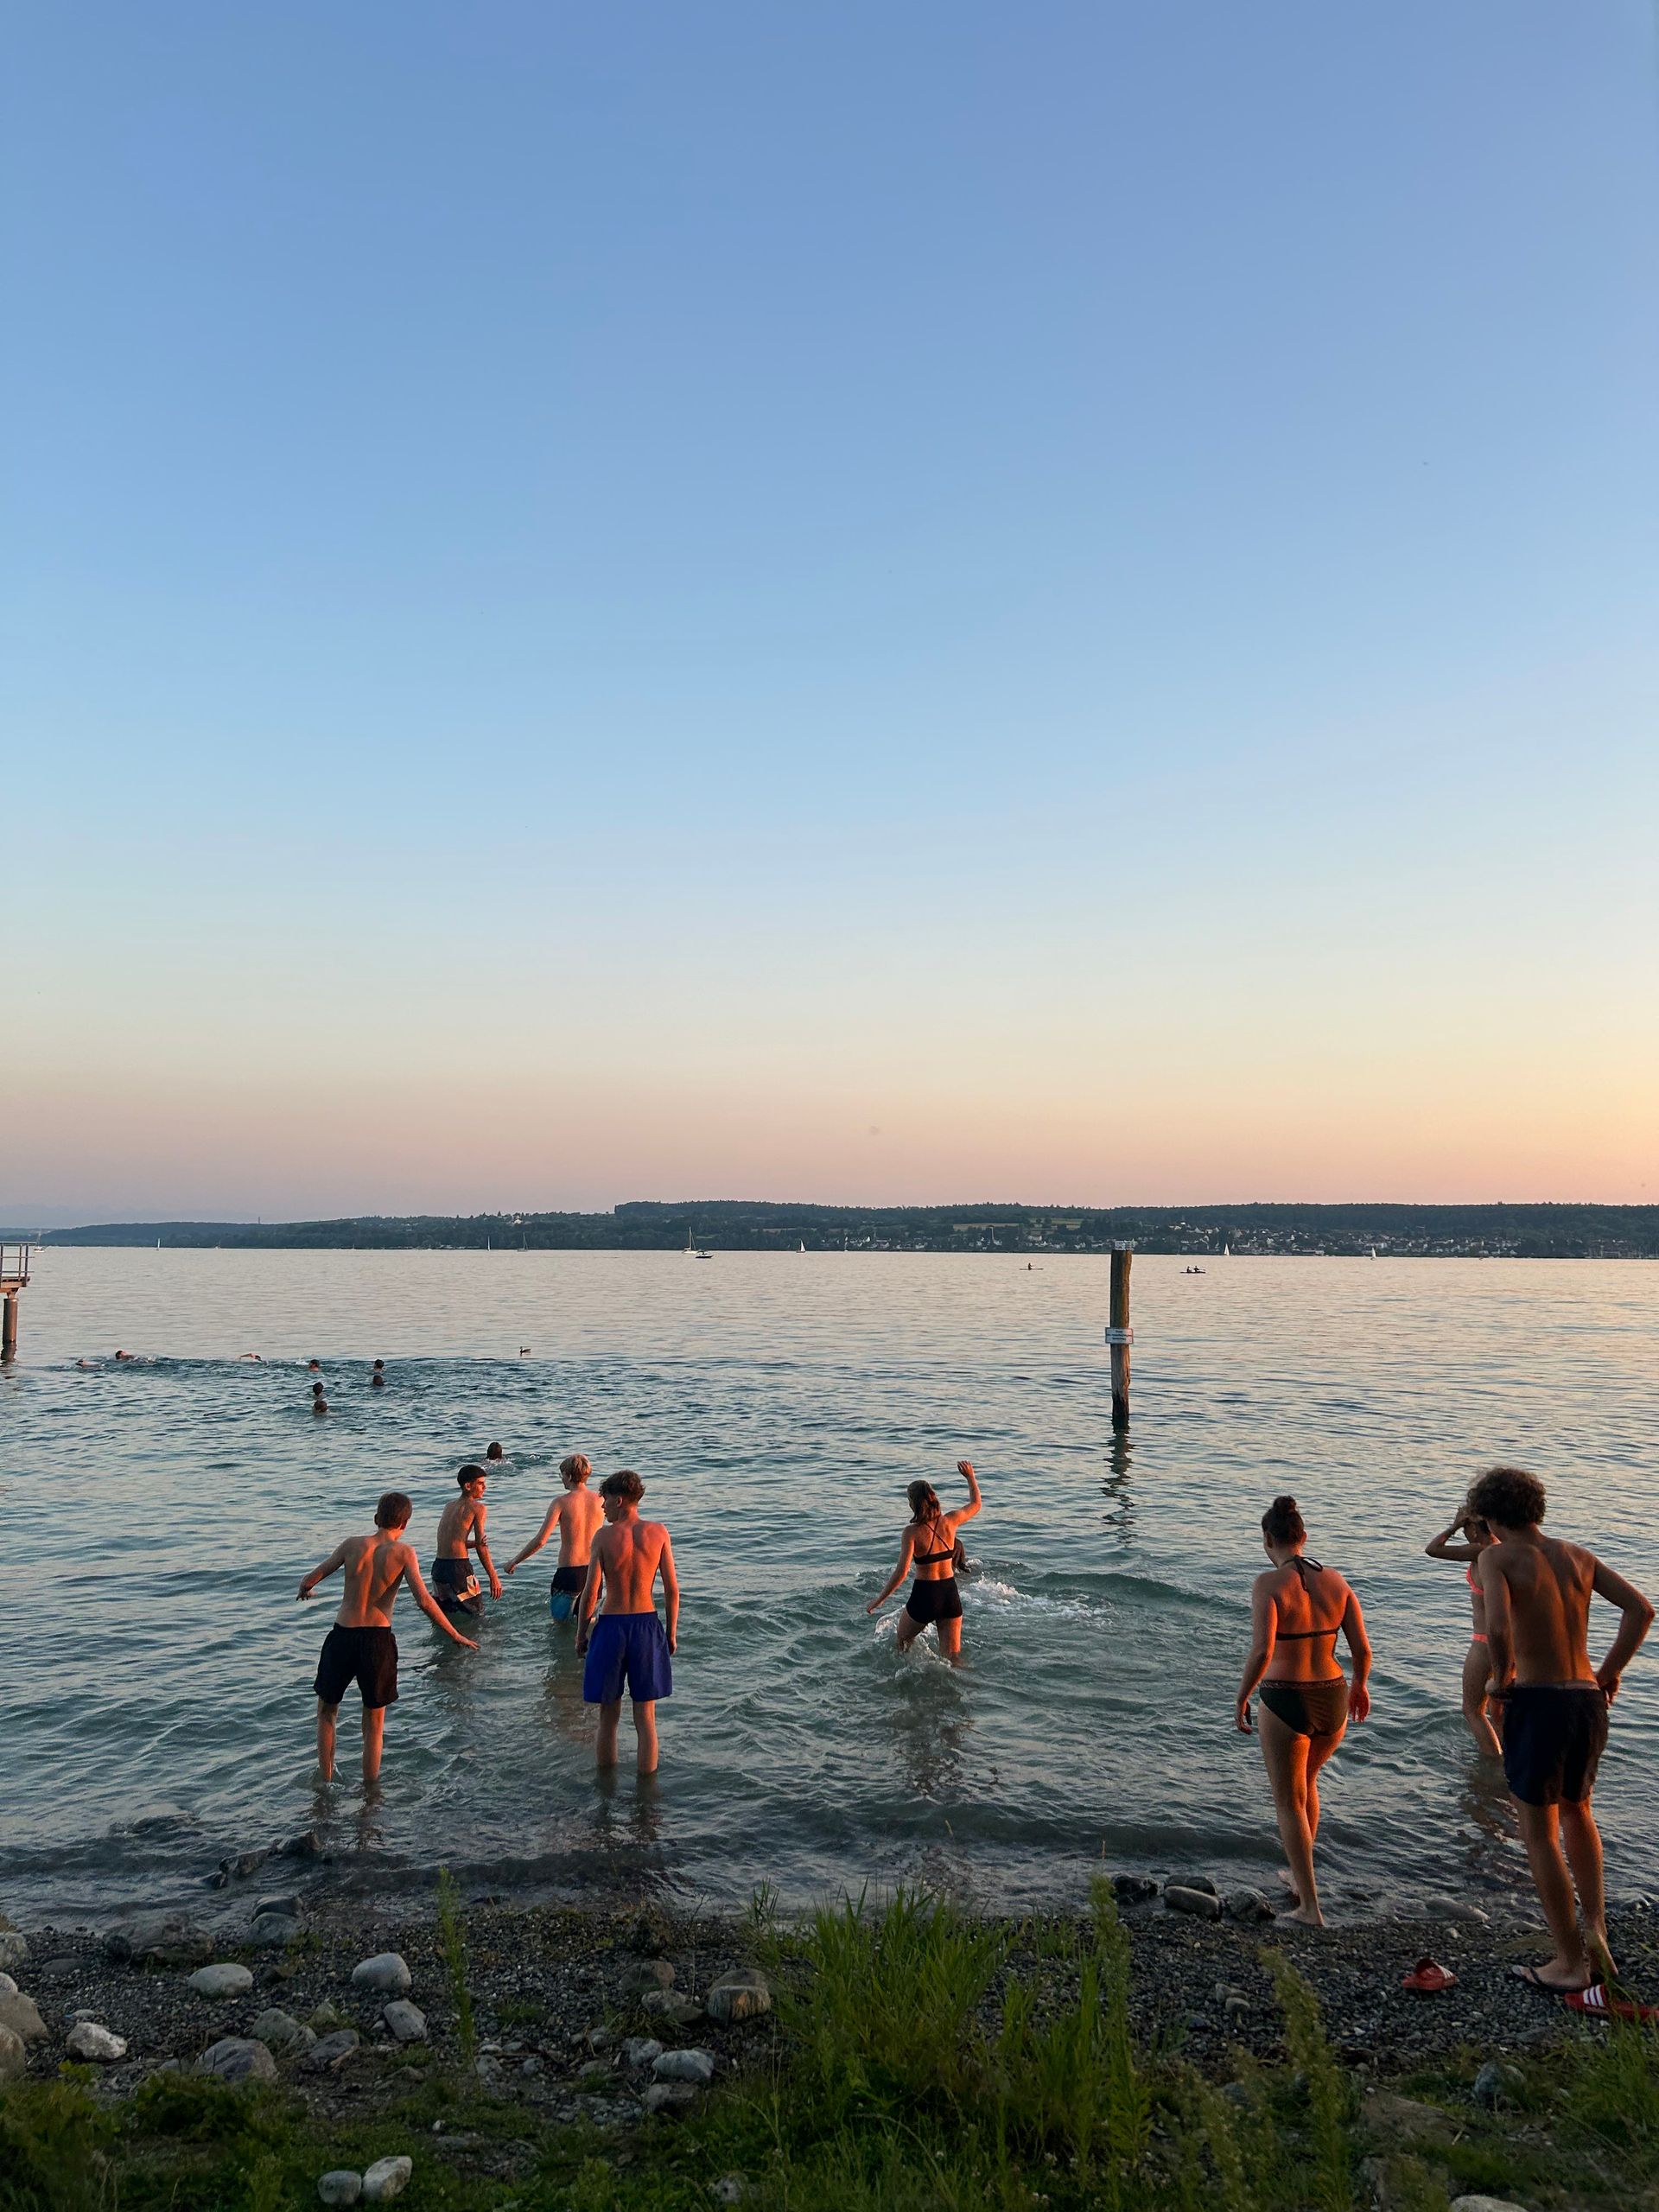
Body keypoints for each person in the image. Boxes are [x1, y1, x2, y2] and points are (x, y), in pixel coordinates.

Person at [1468, 1463, 1653, 1993]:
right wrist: (1609, 1672)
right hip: (1586, 1700)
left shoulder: (1495, 1555)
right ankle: (1594, 1925)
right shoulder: (1578, 1555)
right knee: (1579, 1812)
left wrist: (1500, 1681)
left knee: (1540, 1833)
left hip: (1540, 1700)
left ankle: (1570, 1963)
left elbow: (1499, 1626)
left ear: (1491, 1516)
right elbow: (1641, 1610)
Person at [1235, 1496, 1371, 1928]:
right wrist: (1360, 1687)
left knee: (1288, 1802)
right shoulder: (1337, 1581)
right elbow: (1363, 1650)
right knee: (1309, 1785)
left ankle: (1311, 1907)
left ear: (1267, 1539)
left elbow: (1262, 1651)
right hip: (1333, 1694)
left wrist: (1243, 1696)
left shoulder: (1267, 1585)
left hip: (1285, 1696)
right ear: (1303, 1537)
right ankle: (1300, 1882)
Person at [296, 1490, 476, 1783]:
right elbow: (424, 1601)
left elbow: (311, 1577)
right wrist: (455, 1633)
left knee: (327, 1713)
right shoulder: (404, 1552)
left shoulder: (352, 1545)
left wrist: (305, 1589)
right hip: (377, 1641)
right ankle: (370, 1795)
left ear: (376, 1518)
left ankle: (326, 1780)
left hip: (342, 1636)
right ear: (405, 1524)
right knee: (373, 1724)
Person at [575, 1469, 678, 1774]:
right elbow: (672, 1589)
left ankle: (605, 1796)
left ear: (619, 1500)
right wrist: (670, 1633)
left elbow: (591, 1591)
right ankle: (646, 1804)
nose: (602, 1506)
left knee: (608, 1717)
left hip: (611, 1628)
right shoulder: (659, 1532)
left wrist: (581, 1634)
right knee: (646, 1719)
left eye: (605, 1499)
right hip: (647, 1627)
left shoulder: (604, 1537)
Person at [866, 1461, 982, 1662]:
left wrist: (879, 1600)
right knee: (954, 1658)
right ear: (933, 1498)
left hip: (925, 1596)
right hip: (950, 1594)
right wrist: (970, 1477)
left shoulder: (911, 1533)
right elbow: (976, 1504)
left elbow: (901, 1573)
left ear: (913, 1504)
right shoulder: (951, 1521)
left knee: (902, 1642)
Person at [1425, 1501, 1502, 1758]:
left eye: (1465, 1525)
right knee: (1498, 1710)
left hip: (1484, 1643)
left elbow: (1433, 1549)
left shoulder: (1480, 1551)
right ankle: (1509, 1763)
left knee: (1473, 1710)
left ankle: (1492, 1767)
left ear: (1473, 1527)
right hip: (1511, 1643)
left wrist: (1454, 1527)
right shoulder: (1504, 1551)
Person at [503, 1453, 603, 1619]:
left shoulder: (561, 1502)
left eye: (562, 1475)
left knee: (560, 1626)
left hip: (569, 1573)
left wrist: (514, 1561)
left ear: (569, 1476)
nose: (561, 1479)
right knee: (588, 1625)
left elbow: (541, 1540)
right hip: (594, 1571)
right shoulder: (601, 1500)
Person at [432, 1465, 502, 1616]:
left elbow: (453, 1541)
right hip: (458, 1569)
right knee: (477, 1614)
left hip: (439, 1567)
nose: (485, 1487)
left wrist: (475, 1543)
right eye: (481, 1484)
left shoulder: (449, 1506)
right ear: (468, 1486)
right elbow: (481, 1548)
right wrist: (493, 1577)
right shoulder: (478, 1508)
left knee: (447, 1615)